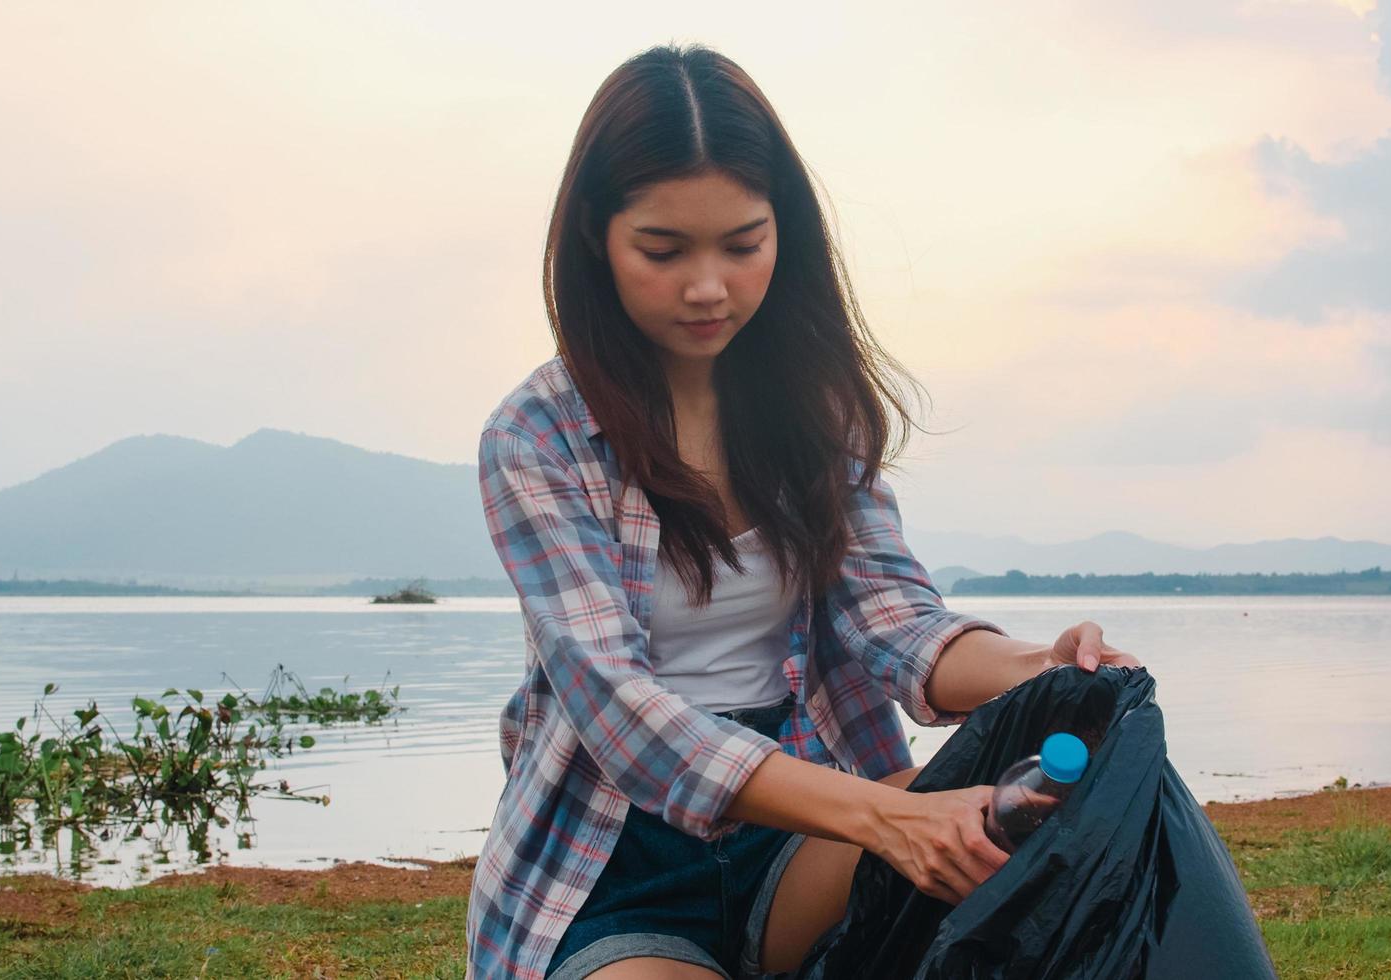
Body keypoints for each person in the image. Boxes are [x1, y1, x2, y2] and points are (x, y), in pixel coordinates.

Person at [465, 43, 1141, 980]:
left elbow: (894, 621)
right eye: (664, 250)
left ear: (786, 230)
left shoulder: (816, 412)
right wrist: (889, 815)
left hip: (803, 829)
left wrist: (1038, 667)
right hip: (614, 861)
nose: (710, 287)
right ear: (595, 237)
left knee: (1023, 853)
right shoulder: (538, 436)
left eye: (744, 245)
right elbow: (621, 714)